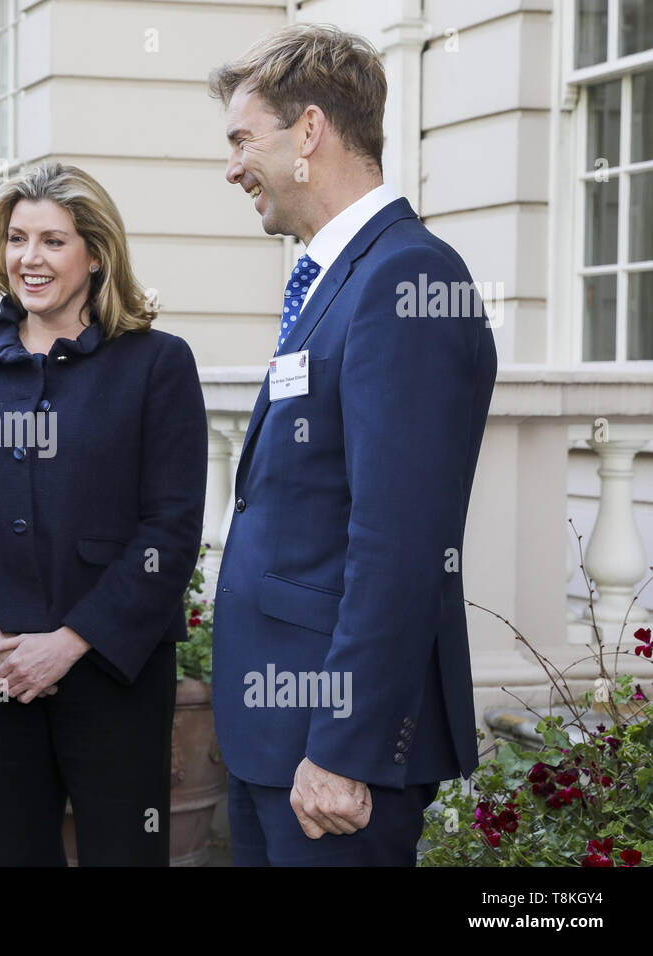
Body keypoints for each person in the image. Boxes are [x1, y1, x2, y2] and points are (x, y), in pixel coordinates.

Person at [207, 24, 497, 866]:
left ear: (308, 132)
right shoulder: (336, 276)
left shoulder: (406, 279)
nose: (231, 168)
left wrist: (344, 748)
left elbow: (401, 544)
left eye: (240, 140)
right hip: (279, 737)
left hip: (332, 756)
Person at [0, 162, 207, 866]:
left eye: (52, 241)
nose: (28, 259)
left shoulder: (156, 364)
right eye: (17, 239)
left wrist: (69, 642)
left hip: (111, 673)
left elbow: (170, 529)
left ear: (96, 253)